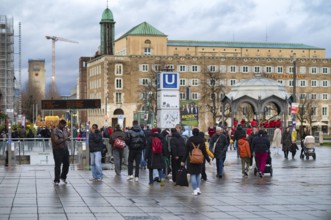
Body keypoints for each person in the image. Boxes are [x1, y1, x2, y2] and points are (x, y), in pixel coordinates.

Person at [181, 128, 210, 196]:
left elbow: (186, 152)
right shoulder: (202, 140)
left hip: (191, 160)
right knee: (198, 174)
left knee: (193, 175)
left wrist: (183, 160)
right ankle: (198, 189)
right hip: (200, 160)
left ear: (193, 133)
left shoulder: (189, 140)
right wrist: (208, 159)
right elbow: (204, 152)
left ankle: (195, 190)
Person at [51, 120, 70, 185]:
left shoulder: (64, 129)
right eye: (63, 125)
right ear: (60, 124)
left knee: (67, 164)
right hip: (57, 150)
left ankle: (63, 177)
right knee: (58, 165)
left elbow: (66, 135)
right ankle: (56, 180)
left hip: (65, 149)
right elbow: (56, 141)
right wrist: (65, 139)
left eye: (65, 126)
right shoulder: (54, 131)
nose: (64, 127)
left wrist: (68, 135)